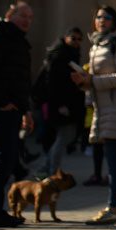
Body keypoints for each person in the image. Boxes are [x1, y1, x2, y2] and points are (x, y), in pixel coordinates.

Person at [74, 6, 116, 225]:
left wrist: (91, 81)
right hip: (106, 106)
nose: (102, 20)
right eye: (98, 16)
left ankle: (113, 206)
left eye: (107, 17)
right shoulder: (98, 44)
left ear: (115, 21)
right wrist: (86, 82)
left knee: (114, 162)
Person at [0, 2, 34, 227]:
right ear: (9, 14)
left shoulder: (17, 40)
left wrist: (25, 110)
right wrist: (1, 102)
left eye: (30, 17)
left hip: (11, 109)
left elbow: (20, 81)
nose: (27, 21)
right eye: (22, 15)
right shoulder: (0, 37)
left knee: (3, 160)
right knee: (1, 160)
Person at [37, 27, 86, 179]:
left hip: (67, 103)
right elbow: (54, 83)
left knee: (64, 136)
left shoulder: (70, 55)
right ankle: (52, 171)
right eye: (73, 38)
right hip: (61, 104)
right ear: (66, 38)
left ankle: (48, 167)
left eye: (79, 39)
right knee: (64, 136)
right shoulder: (60, 56)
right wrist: (60, 105)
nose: (76, 42)